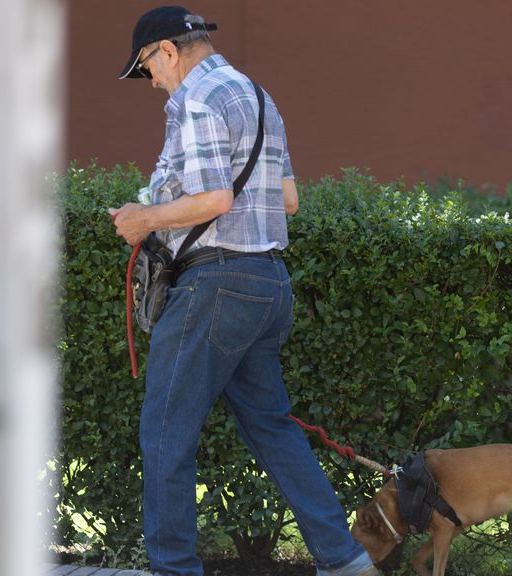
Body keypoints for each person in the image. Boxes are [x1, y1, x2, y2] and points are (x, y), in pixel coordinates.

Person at [109, 6, 378, 576]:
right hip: (266, 285)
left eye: (145, 68)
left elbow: (215, 202)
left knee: (164, 432)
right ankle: (347, 561)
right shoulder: (258, 96)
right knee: (272, 428)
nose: (150, 82)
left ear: (168, 50)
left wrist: (145, 218)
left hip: (217, 284)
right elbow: (288, 201)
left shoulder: (198, 100)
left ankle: (173, 568)